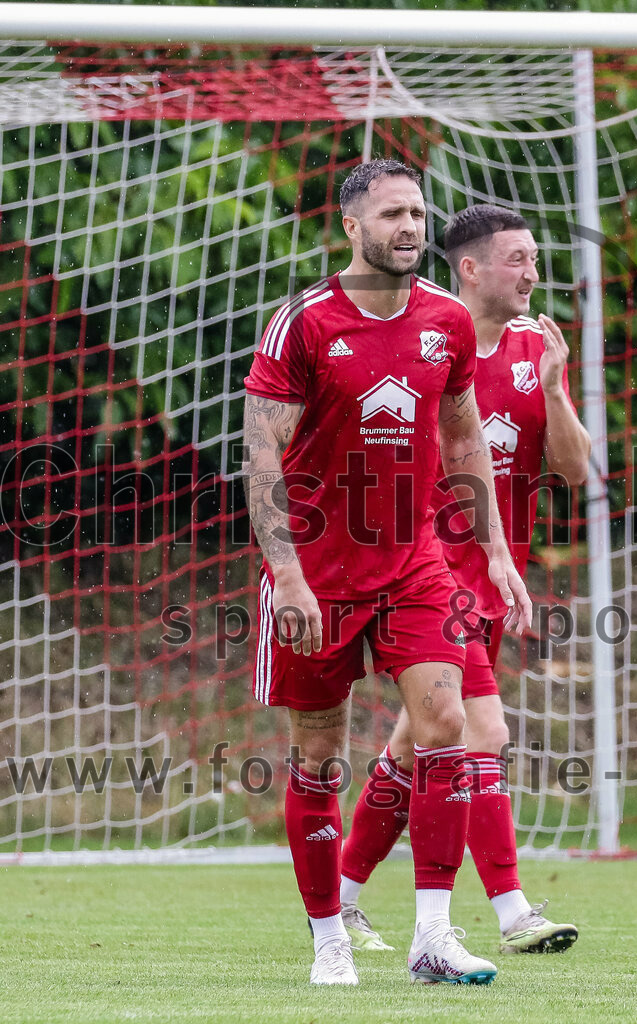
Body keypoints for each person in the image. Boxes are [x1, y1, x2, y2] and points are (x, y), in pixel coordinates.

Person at [242, 164, 531, 987]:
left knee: (447, 726)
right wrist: (287, 576)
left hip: (416, 566)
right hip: (318, 572)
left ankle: (432, 935)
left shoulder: (445, 319)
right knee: (320, 756)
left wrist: (498, 552)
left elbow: (464, 435)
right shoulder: (302, 322)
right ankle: (330, 935)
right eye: (392, 214)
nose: (409, 226)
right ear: (351, 226)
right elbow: (261, 452)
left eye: (417, 213)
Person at [338, 204, 591, 954]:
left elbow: (573, 470)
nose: (532, 273)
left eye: (535, 258)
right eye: (517, 258)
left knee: (419, 743)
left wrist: (551, 388)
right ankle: (512, 913)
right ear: (471, 268)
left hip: (491, 576)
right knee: (484, 730)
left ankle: (344, 899)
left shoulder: (531, 348)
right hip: (422, 573)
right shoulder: (421, 338)